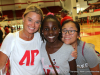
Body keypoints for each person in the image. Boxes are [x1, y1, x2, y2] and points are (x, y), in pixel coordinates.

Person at [0, 5, 44, 75]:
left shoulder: (40, 38)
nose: (33, 25)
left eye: (37, 22)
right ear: (23, 18)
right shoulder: (11, 38)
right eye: (30, 20)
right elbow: (1, 66)